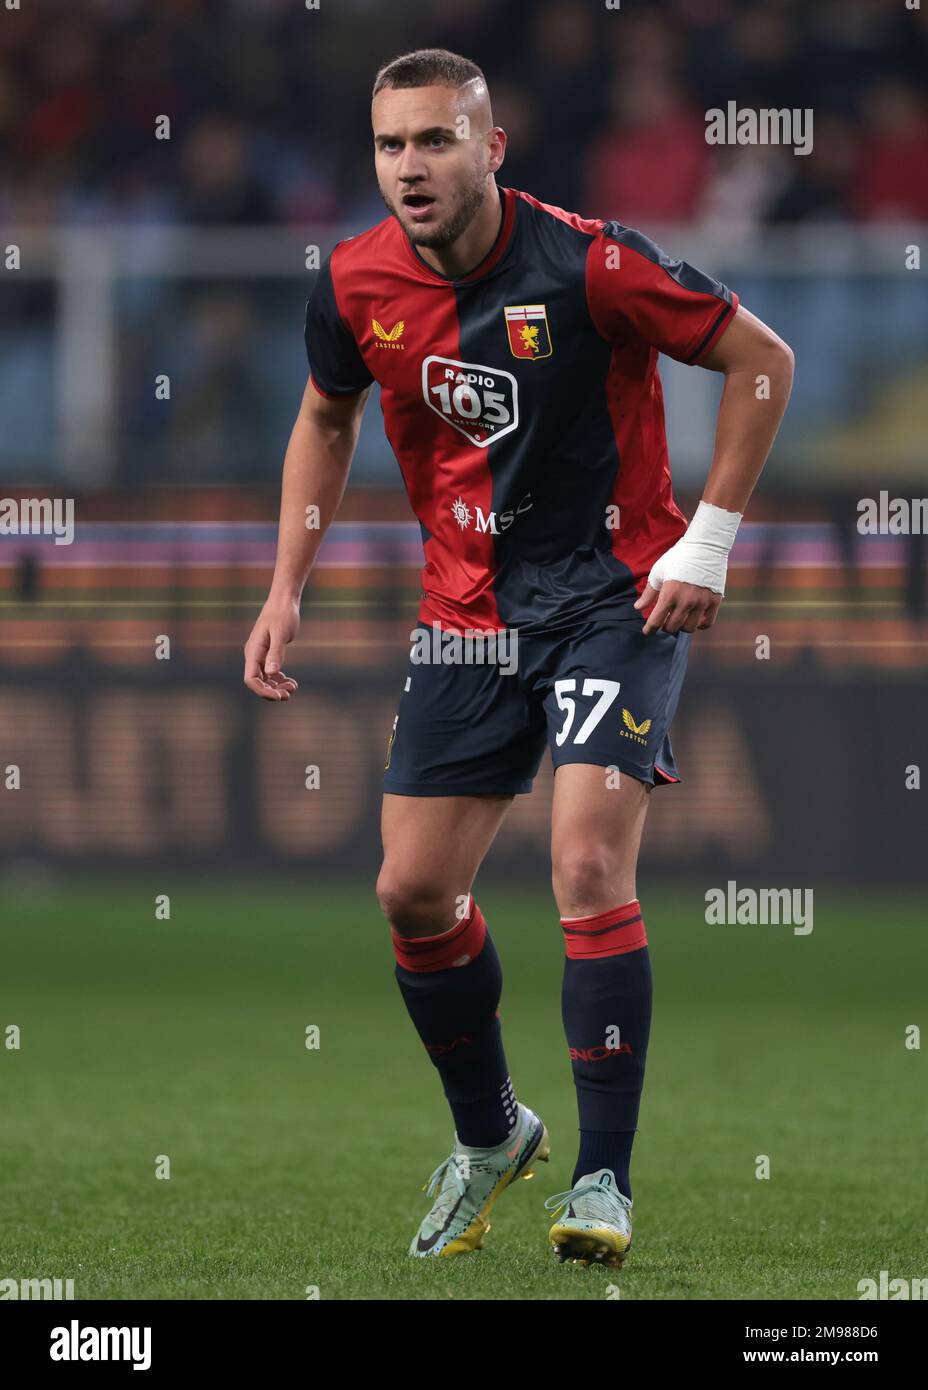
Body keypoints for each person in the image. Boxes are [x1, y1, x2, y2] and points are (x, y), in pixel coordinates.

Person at [243, 48, 794, 1268]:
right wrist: (285, 585)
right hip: (466, 617)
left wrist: (705, 544)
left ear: (490, 148)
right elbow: (325, 416)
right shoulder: (352, 281)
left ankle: (603, 1179)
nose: (410, 167)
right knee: (410, 892)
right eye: (391, 145)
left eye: (436, 140)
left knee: (585, 860)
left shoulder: (592, 263)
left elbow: (763, 360)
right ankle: (491, 1132)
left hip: (614, 597)